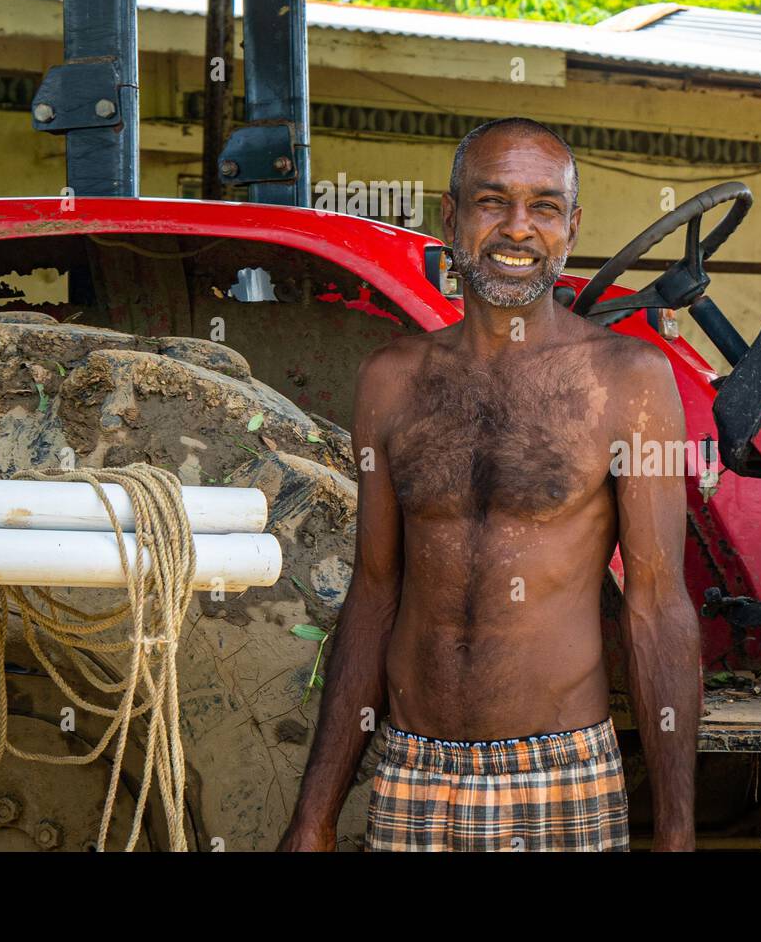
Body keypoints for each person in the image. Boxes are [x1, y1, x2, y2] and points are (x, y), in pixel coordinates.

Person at [277, 117, 700, 852]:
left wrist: (676, 831)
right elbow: (374, 596)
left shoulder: (627, 380)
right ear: (450, 217)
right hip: (411, 768)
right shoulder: (391, 379)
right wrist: (313, 816)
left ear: (570, 228)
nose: (516, 228)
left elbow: (657, 607)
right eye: (491, 201)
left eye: (542, 207)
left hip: (560, 772)